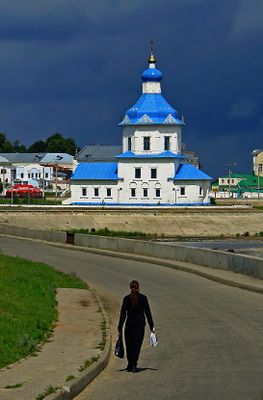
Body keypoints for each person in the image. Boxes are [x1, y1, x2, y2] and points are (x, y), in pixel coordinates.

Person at [117, 280, 155, 372]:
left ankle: (130, 364)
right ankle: (134, 364)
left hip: (129, 323)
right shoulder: (143, 298)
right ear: (138, 287)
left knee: (129, 344)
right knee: (137, 344)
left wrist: (120, 326)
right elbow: (148, 312)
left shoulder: (126, 299)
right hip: (140, 324)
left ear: (130, 288)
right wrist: (151, 326)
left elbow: (123, 314)